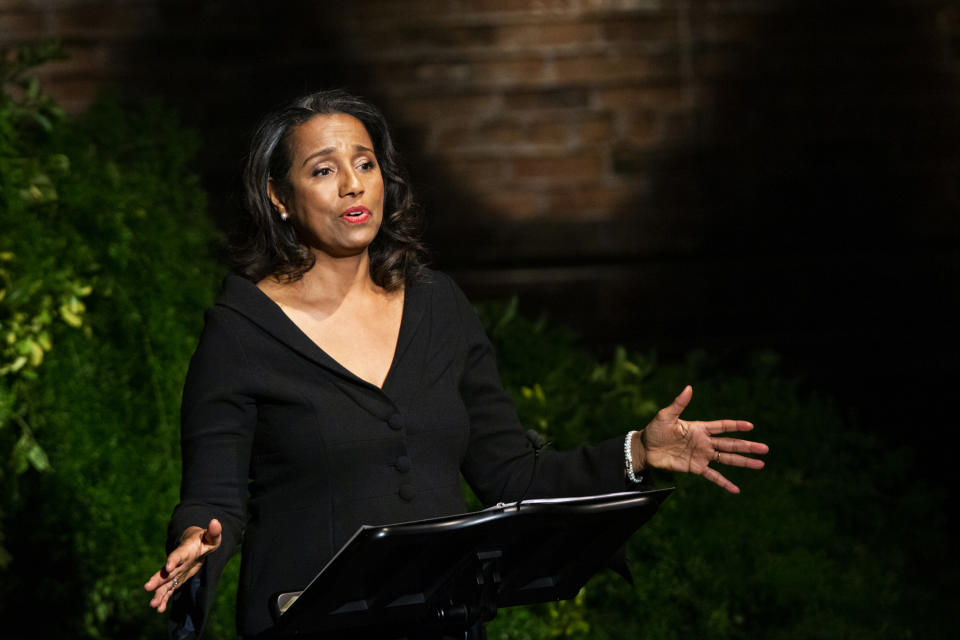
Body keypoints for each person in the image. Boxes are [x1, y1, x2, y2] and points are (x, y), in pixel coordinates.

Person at [144, 90, 768, 639]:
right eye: (323, 170)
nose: (353, 184)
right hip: (307, 620)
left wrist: (637, 451)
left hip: (439, 621)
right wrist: (197, 539)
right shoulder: (242, 330)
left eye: (365, 164)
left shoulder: (436, 305)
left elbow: (510, 475)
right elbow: (214, 495)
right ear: (279, 197)